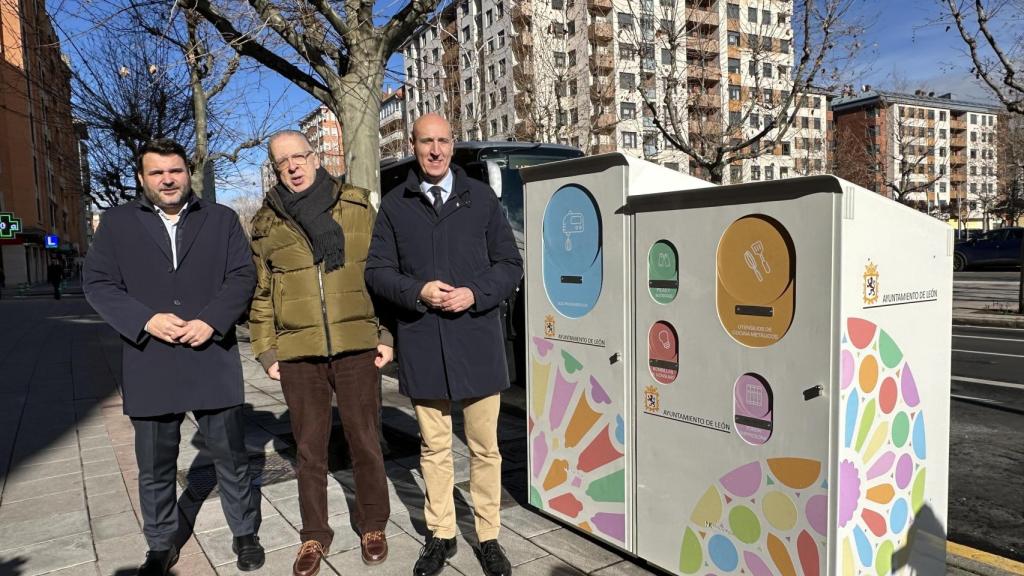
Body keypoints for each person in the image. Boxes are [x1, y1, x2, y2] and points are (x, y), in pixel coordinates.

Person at [83, 138, 264, 575]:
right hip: (151, 360)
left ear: (188, 173)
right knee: (155, 465)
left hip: (210, 355)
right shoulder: (117, 223)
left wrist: (213, 320)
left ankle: (245, 533)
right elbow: (98, 283)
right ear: (142, 179)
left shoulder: (219, 219)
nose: (168, 179)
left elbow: (243, 275)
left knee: (232, 457)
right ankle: (161, 544)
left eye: (176, 171)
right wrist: (145, 321)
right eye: (157, 172)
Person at [365, 113, 522, 576]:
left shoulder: (482, 199)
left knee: (484, 448)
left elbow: (509, 264)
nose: (435, 150)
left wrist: (475, 293)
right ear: (412, 146)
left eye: (443, 141)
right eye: (425, 142)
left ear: (453, 145)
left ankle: (489, 535)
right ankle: (442, 534)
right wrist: (418, 291)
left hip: (476, 340)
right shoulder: (395, 205)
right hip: (424, 342)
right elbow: (376, 272)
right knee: (433, 448)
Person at [248, 130, 393, 576]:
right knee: (309, 451)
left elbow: (382, 273)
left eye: (299, 156)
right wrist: (265, 351)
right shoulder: (266, 223)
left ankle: (373, 524)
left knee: (365, 441)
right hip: (298, 354)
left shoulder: (356, 205)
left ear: (315, 156)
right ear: (274, 169)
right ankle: (314, 534)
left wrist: (386, 335)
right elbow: (263, 292)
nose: (292, 166)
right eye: (282, 162)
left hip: (356, 347)